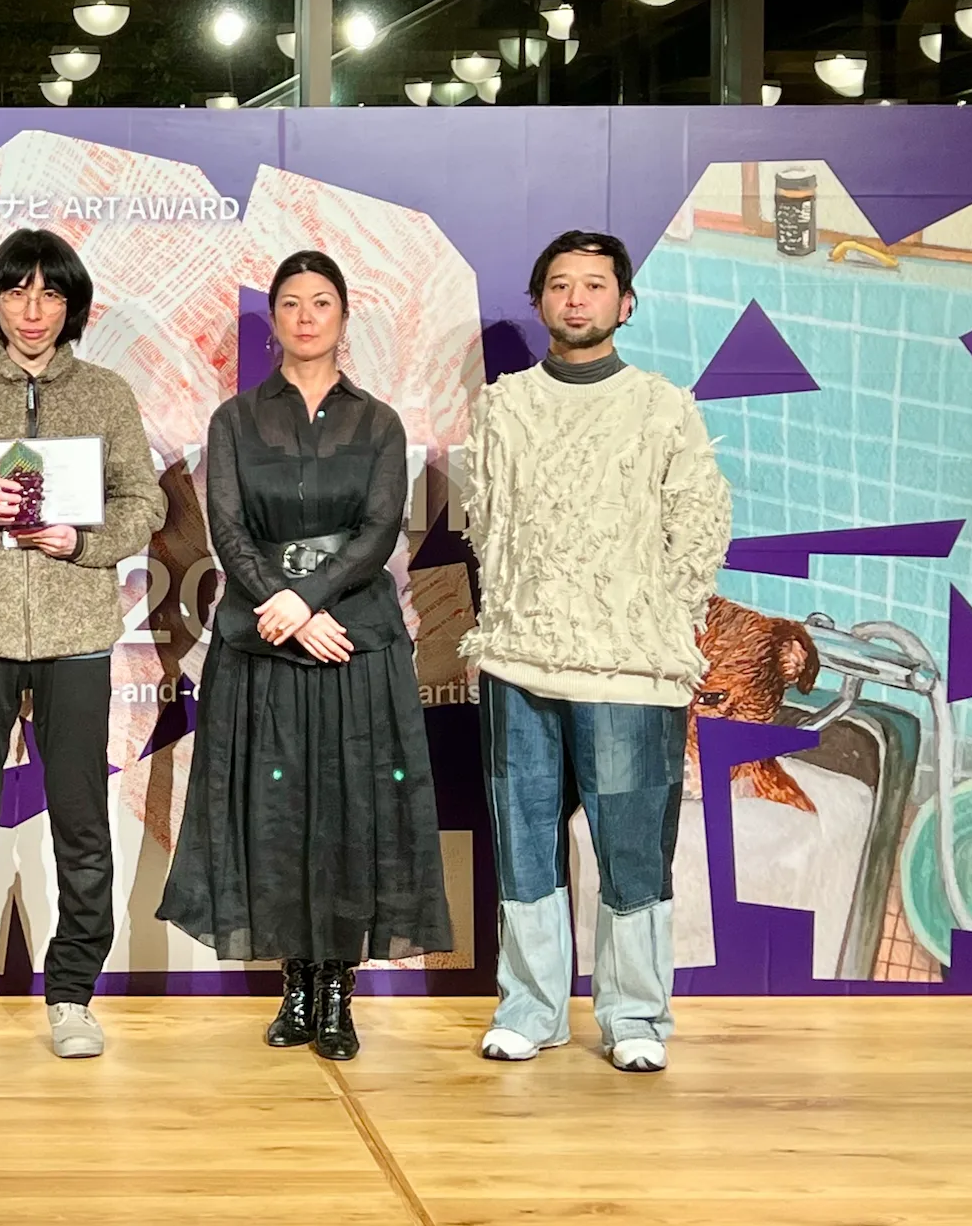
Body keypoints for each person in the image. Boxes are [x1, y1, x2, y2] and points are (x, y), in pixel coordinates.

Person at [159, 251, 452, 1062]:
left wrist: (311, 600)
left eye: (322, 303)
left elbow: (380, 529)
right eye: (291, 303)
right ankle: (296, 985)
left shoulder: (378, 422)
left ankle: (338, 991)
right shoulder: (236, 419)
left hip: (354, 641)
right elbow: (228, 530)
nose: (306, 317)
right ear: (275, 321)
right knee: (278, 812)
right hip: (263, 639)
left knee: (352, 811)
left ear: (344, 318)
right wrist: (283, 608)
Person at [459, 229, 731, 1074]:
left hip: (631, 667)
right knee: (523, 839)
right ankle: (531, 1007)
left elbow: (699, 525)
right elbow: (484, 520)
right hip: (519, 657)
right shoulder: (504, 405)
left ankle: (634, 1013)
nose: (576, 298)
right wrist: (517, 608)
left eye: (594, 284)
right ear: (539, 300)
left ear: (625, 303)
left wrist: (652, 617)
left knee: (632, 845)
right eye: (560, 285)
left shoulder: (662, 406)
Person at [0, 229, 165, 1060]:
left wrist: (82, 541)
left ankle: (74, 996)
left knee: (82, 824)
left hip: (76, 633)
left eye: (51, 293)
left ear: (72, 307)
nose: (33, 309)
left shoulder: (106, 394)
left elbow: (144, 503)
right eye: (18, 291)